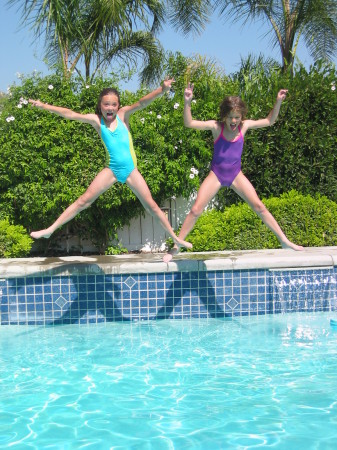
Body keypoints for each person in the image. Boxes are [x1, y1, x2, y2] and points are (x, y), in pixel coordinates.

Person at [29, 79, 192, 251]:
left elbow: (142, 102)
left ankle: (176, 239)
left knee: (151, 206)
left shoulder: (123, 116)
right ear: (100, 106)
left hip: (131, 171)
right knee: (83, 201)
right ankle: (50, 229)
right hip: (111, 170)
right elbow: (69, 114)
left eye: (114, 104)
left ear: (118, 105)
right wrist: (44, 106)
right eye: (106, 104)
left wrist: (162, 89)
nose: (110, 108)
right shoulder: (96, 121)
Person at [163, 84, 303, 263]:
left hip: (236, 174)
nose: (234, 121)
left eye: (237, 117)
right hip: (217, 174)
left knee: (259, 206)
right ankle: (176, 247)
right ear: (224, 116)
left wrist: (278, 102)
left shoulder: (244, 127)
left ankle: (283, 240)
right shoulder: (216, 127)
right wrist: (187, 102)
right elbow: (189, 123)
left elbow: (269, 121)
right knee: (196, 209)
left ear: (241, 116)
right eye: (231, 117)